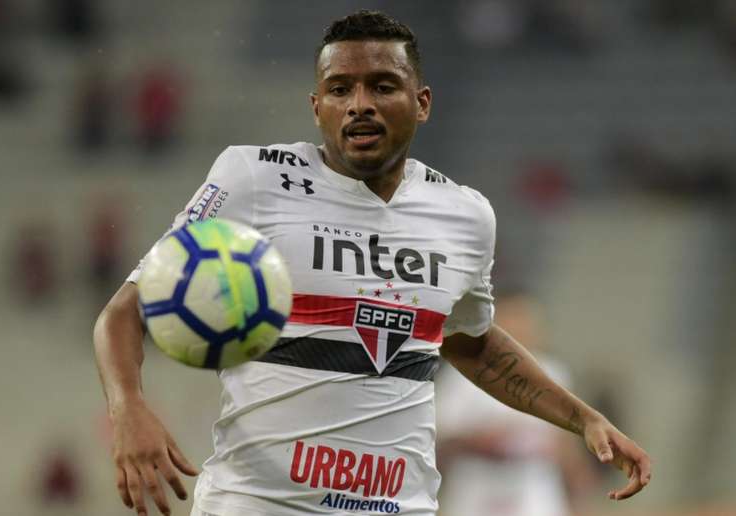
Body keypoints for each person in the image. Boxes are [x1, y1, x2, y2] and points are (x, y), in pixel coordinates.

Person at [93, 10, 652, 516]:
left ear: (422, 102)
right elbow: (125, 310)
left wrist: (583, 418)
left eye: (382, 85)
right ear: (317, 107)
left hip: (398, 506)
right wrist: (128, 409)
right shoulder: (253, 180)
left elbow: (472, 343)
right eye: (340, 88)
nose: (359, 102)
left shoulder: (465, 215)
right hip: (258, 503)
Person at [436, 293, 598, 516]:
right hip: (476, 494)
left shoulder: (553, 373)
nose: (520, 329)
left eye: (526, 321)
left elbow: (566, 445)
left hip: (536, 494)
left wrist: (580, 491)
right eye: (511, 320)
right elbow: (438, 442)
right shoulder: (462, 373)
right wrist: (479, 441)